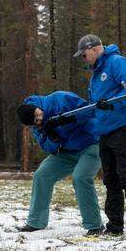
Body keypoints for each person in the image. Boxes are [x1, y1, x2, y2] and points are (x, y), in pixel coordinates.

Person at [74, 34, 126, 236]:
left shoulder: (118, 62)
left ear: (95, 48)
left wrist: (112, 102)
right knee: (110, 180)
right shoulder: (95, 77)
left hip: (124, 126)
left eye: (84, 54)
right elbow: (95, 105)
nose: (83, 58)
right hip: (104, 131)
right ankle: (115, 226)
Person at [15, 92, 105, 236]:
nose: (39, 119)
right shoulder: (37, 127)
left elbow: (91, 110)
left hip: (91, 144)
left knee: (80, 177)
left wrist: (67, 120)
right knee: (41, 175)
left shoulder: (60, 99)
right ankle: (35, 222)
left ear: (35, 107)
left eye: (37, 115)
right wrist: (52, 135)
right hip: (66, 152)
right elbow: (48, 148)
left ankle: (95, 225)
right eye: (36, 121)